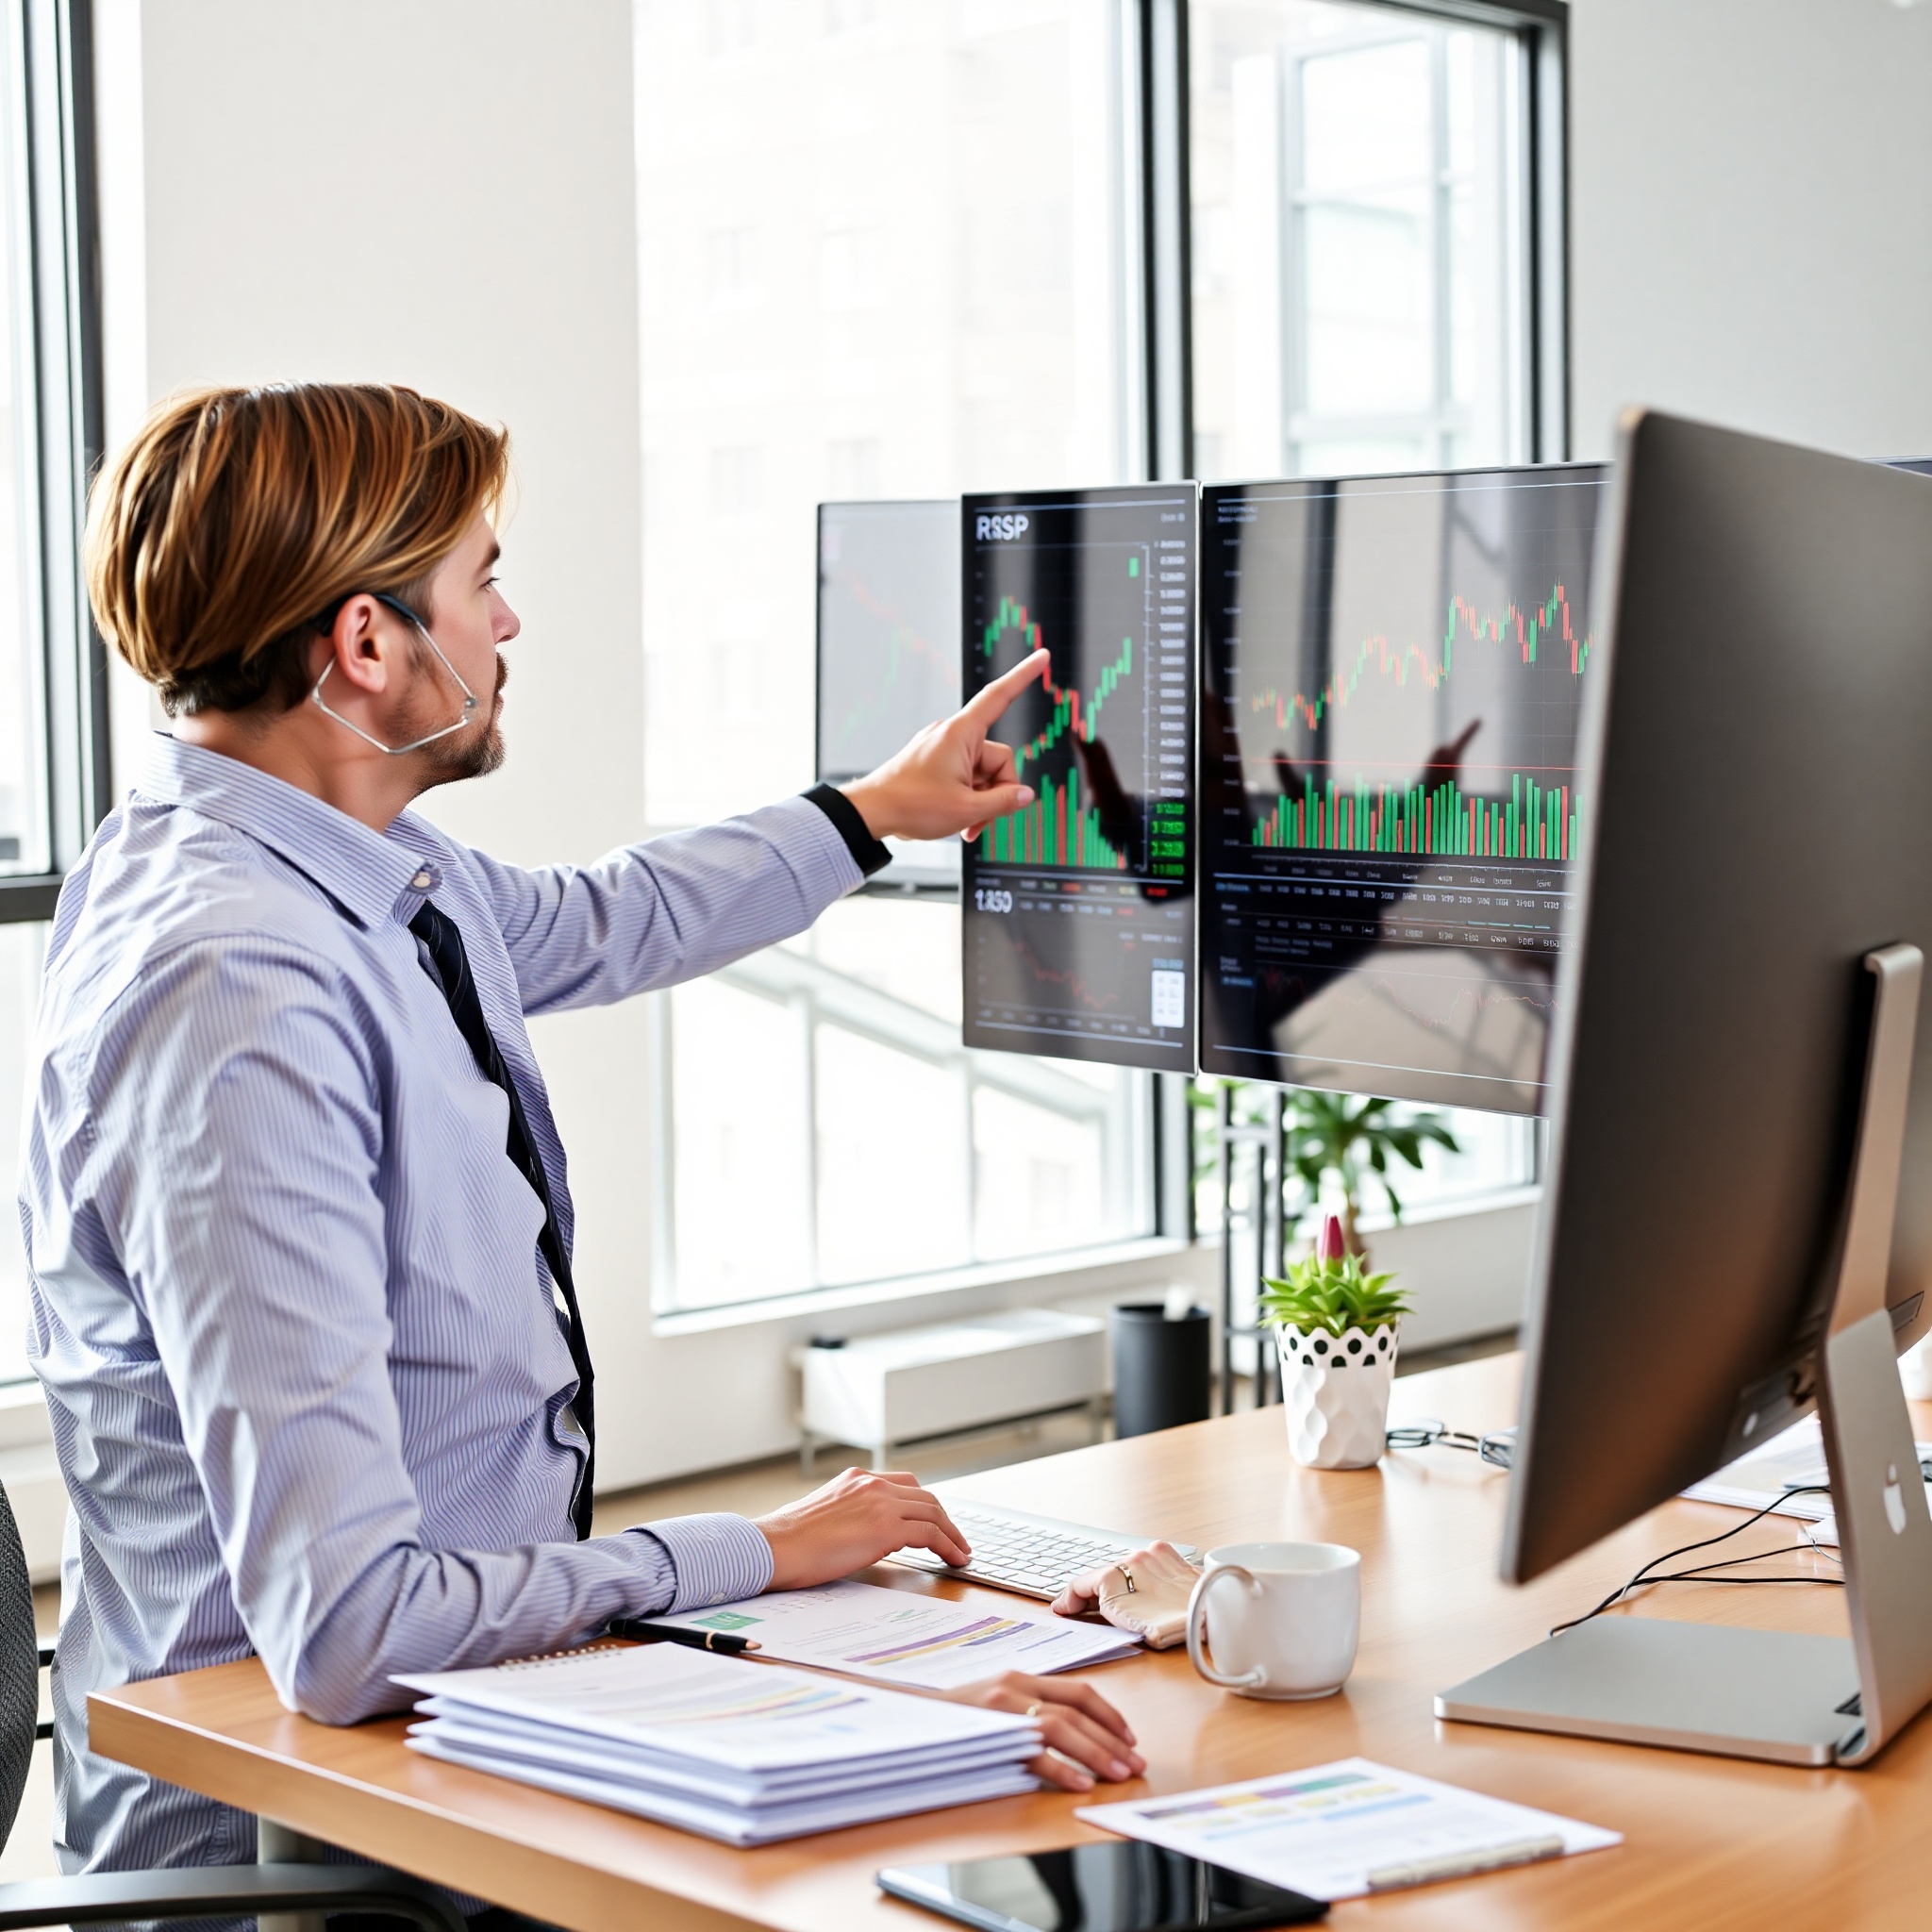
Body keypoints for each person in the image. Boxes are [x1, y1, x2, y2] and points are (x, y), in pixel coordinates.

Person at [18, 382, 1143, 1922]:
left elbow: (599, 916)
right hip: (308, 1839)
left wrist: (874, 811)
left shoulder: (342, 857)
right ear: (364, 646)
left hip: (454, 1732)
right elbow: (352, 1629)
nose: (509, 624)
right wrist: (752, 1553)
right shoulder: (235, 994)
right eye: (482, 581)